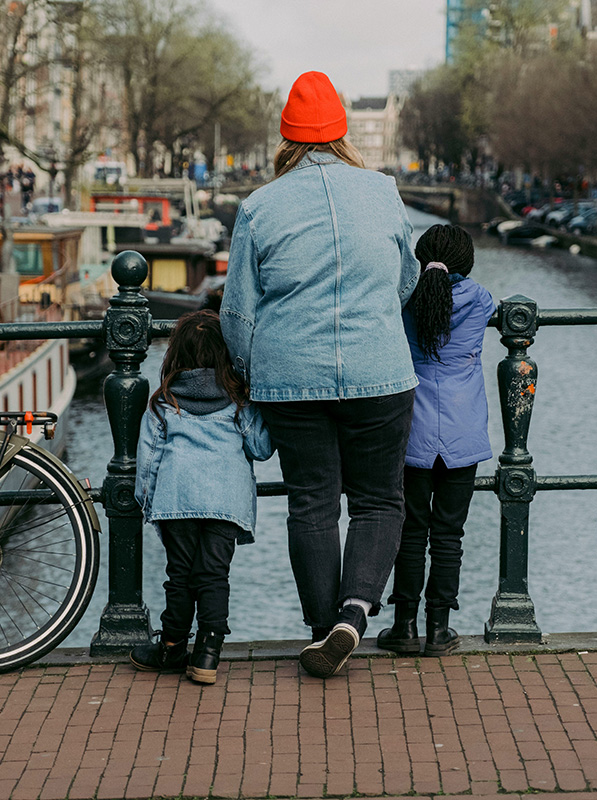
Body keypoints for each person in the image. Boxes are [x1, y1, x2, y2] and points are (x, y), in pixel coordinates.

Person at [220, 70, 420, 679]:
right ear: (342, 135)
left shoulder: (259, 207)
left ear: (287, 139)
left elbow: (237, 312)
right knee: (380, 499)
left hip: (290, 377)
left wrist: (254, 375)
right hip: (379, 372)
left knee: (310, 503)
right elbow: (406, 279)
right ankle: (354, 615)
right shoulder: (383, 192)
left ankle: (318, 627)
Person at [130, 310, 274, 685]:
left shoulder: (164, 403)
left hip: (176, 500)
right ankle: (208, 653)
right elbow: (260, 448)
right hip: (226, 502)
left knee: (179, 576)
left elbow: (148, 459)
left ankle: (173, 645)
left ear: (176, 355)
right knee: (214, 575)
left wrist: (146, 502)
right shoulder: (237, 400)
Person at [376, 225, 495, 657]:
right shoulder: (480, 300)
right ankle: (439, 629)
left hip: (413, 431)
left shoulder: (405, 300)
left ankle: (403, 625)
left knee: (411, 530)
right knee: (449, 534)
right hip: (464, 433)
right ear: (466, 263)